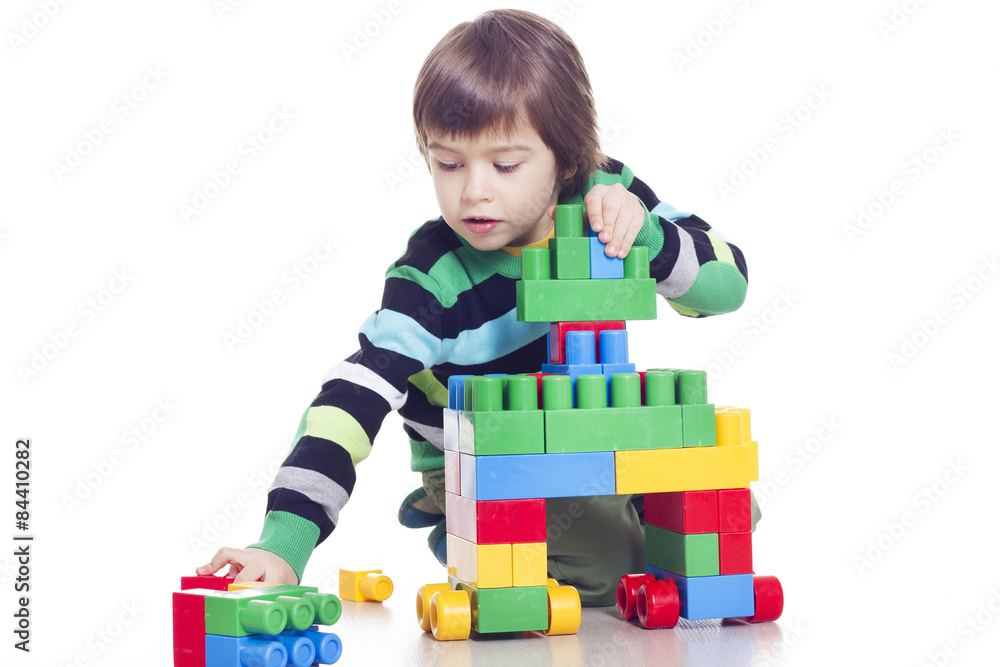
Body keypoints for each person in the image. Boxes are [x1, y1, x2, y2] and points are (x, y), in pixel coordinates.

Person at [198, 9, 750, 607]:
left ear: (565, 159)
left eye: (506, 165)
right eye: (449, 163)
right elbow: (350, 400)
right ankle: (455, 523)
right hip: (483, 456)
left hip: (584, 431)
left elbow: (728, 285)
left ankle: (601, 509)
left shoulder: (604, 192)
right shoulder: (433, 277)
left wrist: (647, 235)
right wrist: (283, 544)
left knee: (724, 516)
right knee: (612, 571)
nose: (473, 191)